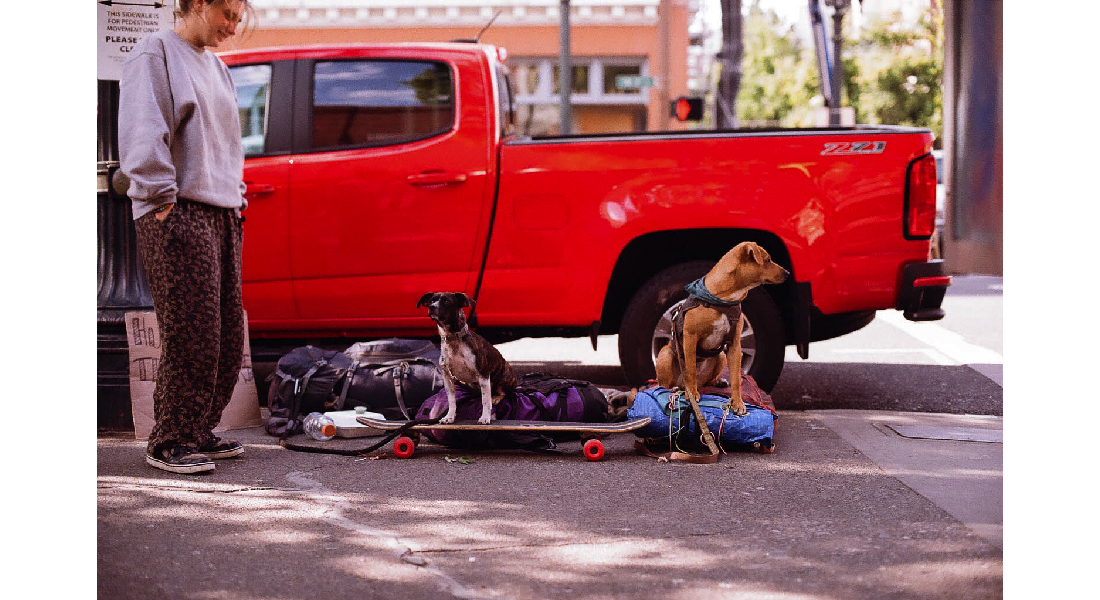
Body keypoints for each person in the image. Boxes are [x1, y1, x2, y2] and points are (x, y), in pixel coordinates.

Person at [119, 0, 254, 474]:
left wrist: (236, 199)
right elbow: (143, 130)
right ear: (197, 4)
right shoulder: (154, 52)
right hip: (177, 207)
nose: (234, 25)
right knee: (191, 330)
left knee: (225, 333)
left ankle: (199, 430)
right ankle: (170, 439)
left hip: (221, 210)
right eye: (227, 13)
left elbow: (228, 143)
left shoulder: (217, 66)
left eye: (239, 16)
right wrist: (160, 201)